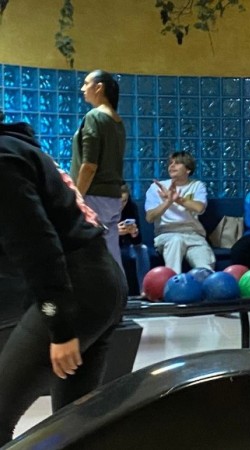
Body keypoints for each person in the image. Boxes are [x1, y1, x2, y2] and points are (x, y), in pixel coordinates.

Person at [0, 117, 126, 445]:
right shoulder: (17, 147)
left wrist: (60, 326)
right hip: (102, 280)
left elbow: (37, 243)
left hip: (78, 290)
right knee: (74, 425)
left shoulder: (3, 159)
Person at [70, 70, 126, 271]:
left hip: (93, 196)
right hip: (112, 198)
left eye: (86, 83)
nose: (82, 88)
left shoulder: (94, 117)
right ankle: (118, 291)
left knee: (90, 255)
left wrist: (77, 196)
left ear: (99, 87)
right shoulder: (117, 121)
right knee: (111, 254)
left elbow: (89, 165)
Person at [144, 151, 215, 274]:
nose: (171, 166)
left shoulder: (197, 185)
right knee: (176, 240)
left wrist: (178, 199)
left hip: (194, 236)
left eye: (177, 163)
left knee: (205, 270)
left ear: (188, 169)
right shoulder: (157, 187)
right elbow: (149, 218)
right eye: (170, 163)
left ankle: (207, 283)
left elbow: (199, 208)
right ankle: (174, 280)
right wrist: (168, 202)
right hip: (167, 235)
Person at [119, 184, 151, 294]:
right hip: (108, 243)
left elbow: (137, 241)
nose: (121, 205)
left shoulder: (131, 207)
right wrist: (114, 231)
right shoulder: (104, 209)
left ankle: (144, 290)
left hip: (125, 244)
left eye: (124, 201)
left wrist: (134, 233)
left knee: (142, 249)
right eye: (118, 201)